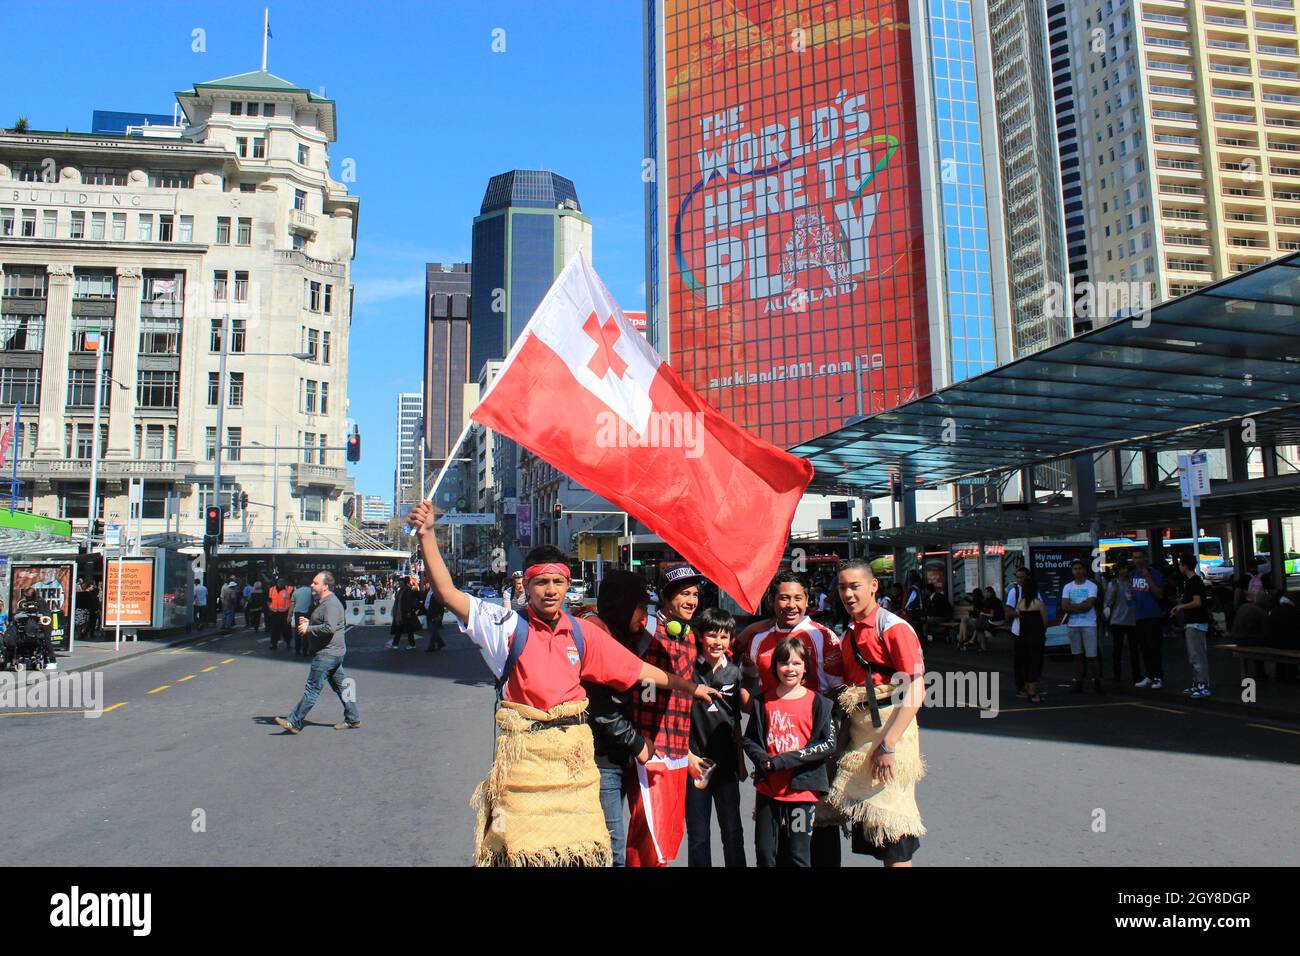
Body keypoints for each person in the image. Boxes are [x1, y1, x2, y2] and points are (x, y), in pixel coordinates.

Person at [408, 500, 718, 867]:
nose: (551, 590)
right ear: (527, 584)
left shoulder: (582, 634)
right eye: (541, 582)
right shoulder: (505, 627)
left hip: (575, 767)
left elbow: (638, 670)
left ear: (568, 585)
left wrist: (690, 687)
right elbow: (448, 594)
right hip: (525, 768)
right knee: (526, 855)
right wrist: (427, 535)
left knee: (583, 855)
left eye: (558, 582)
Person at [823, 560, 925, 867]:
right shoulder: (848, 634)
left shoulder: (893, 628)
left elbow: (916, 690)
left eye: (855, 586)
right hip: (861, 738)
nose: (848, 594)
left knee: (895, 834)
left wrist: (889, 745)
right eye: (843, 587)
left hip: (890, 735)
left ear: (873, 586)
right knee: (877, 836)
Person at [624, 564, 708, 867]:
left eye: (695, 594)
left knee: (668, 833)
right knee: (646, 834)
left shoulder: (688, 636)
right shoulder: (644, 630)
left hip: (676, 750)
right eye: (684, 594)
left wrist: (686, 753)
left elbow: (680, 704)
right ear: (666, 597)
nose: (691, 601)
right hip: (649, 750)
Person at [582, 569, 656, 867]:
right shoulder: (596, 635)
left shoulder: (625, 636)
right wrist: (636, 742)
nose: (644, 616)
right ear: (623, 604)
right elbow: (598, 705)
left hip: (621, 758)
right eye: (641, 607)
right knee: (610, 851)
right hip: (602, 761)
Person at [744, 636, 834, 867]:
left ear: (806, 667)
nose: (790, 668)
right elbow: (750, 739)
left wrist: (783, 761)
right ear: (775, 667)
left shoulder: (820, 704)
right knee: (765, 853)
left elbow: (827, 744)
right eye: (784, 663)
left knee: (798, 854)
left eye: (796, 663)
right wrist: (763, 759)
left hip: (801, 793)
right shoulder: (762, 702)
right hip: (768, 791)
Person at [686, 606, 749, 868]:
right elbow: (676, 719)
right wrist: (687, 756)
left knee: (732, 831)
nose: (717, 642)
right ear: (700, 636)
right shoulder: (688, 671)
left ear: (731, 640)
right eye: (712, 635)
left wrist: (742, 762)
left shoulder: (735, 673)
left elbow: (736, 721)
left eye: (724, 637)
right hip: (696, 764)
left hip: (727, 767)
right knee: (699, 835)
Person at [275, 572, 361, 734]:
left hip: (327, 654)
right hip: (333, 653)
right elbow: (326, 622)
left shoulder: (331, 604)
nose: (312, 585)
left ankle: (294, 721)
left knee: (312, 689)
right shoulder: (325, 602)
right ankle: (353, 718)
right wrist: (310, 622)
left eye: (315, 583)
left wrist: (309, 628)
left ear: (325, 586)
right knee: (342, 688)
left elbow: (330, 627)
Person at [1171, 557, 1212, 699]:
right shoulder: (1193, 581)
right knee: (1194, 655)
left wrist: (1181, 606)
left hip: (1195, 622)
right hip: (1194, 622)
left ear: (1185, 566)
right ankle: (1197, 683)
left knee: (1197, 655)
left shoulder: (1194, 582)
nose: (1179, 567)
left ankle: (1203, 684)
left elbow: (1197, 602)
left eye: (1180, 564)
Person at [1061, 559, 1102, 694]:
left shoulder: (1092, 586)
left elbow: (1089, 605)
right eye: (1075, 569)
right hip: (1073, 624)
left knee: (1092, 656)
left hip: (1088, 624)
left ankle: (1097, 681)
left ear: (1084, 570)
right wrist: (1080, 606)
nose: (1077, 571)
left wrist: (1073, 607)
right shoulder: (1068, 587)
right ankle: (1079, 681)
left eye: (1080, 568)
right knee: (1077, 655)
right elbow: (1064, 606)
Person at [1129, 551, 1166, 689]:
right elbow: (1134, 593)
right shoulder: (1133, 574)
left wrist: (1148, 578)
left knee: (1154, 647)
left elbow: (1159, 594)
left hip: (1152, 615)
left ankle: (1158, 676)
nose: (1137, 560)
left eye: (1139, 557)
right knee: (1144, 647)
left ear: (1144, 558)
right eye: (1135, 558)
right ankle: (1149, 675)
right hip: (1139, 615)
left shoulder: (1153, 573)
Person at [1105, 565, 1141, 683]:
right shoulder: (1113, 584)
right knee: (1117, 649)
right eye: (1122, 568)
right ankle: (1117, 675)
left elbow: (1138, 598)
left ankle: (1137, 675)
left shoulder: (1133, 583)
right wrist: (1114, 592)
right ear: (1118, 570)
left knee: (1134, 649)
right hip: (1117, 620)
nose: (1124, 570)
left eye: (1126, 568)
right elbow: (1108, 601)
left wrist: (1133, 591)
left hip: (1132, 619)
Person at [1014, 578, 1047, 703]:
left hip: (1023, 637)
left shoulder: (1021, 603)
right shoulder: (1038, 604)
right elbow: (1044, 622)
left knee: (1026, 662)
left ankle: (1027, 688)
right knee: (1036, 662)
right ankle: (1033, 691)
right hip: (1036, 637)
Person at [1005, 567, 1030, 692]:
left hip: (1032, 630)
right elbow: (1008, 612)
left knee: (1031, 660)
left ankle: (1031, 685)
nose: (1020, 580)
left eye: (1022, 577)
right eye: (1018, 577)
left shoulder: (1033, 591)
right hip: (1019, 630)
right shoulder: (1014, 591)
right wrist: (1023, 614)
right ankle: (1021, 686)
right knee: (1020, 660)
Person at [388, 576, 423, 649]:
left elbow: (408, 602)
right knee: (402, 629)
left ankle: (400, 644)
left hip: (405, 613)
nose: (399, 584)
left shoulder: (407, 590)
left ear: (404, 583)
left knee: (405, 629)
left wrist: (408, 611)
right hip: (402, 613)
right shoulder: (401, 590)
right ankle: (400, 644)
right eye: (399, 583)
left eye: (401, 583)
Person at [267, 579, 293, 651]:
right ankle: (274, 644)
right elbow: (269, 600)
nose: (280, 583)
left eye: (282, 582)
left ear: (285, 583)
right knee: (274, 630)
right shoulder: (271, 589)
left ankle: (288, 643)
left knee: (287, 629)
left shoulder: (290, 589)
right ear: (277, 583)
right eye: (279, 582)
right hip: (274, 613)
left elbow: (292, 601)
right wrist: (270, 608)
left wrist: (290, 613)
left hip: (285, 613)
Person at [290, 578, 314, 656]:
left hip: (298, 613)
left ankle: (297, 650)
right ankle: (305, 651)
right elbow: (314, 602)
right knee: (306, 632)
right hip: (307, 613)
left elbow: (292, 605)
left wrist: (289, 615)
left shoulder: (296, 592)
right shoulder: (311, 591)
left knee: (298, 632)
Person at [424, 584, 447, 652]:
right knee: (432, 630)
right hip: (431, 614)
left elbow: (441, 606)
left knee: (433, 631)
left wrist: (439, 615)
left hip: (434, 615)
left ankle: (431, 647)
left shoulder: (437, 595)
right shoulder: (432, 593)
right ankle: (440, 643)